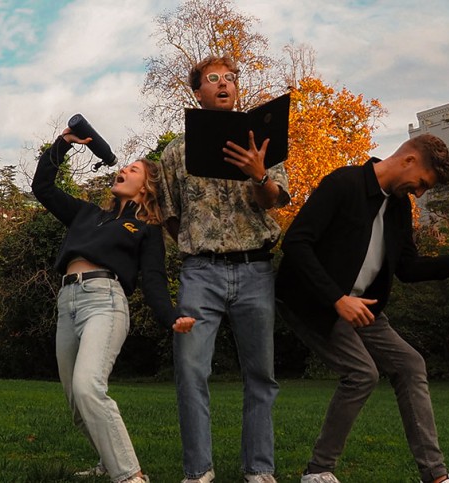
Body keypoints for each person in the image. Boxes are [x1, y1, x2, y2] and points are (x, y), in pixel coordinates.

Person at [275, 134, 449, 483]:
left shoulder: (399, 208)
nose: (419, 193)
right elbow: (296, 243)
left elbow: (406, 267)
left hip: (363, 306)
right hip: (310, 300)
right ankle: (318, 472)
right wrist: (337, 299)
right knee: (362, 373)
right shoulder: (343, 184)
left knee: (410, 364)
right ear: (408, 159)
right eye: (421, 183)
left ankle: (436, 476)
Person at [32, 128, 196, 483]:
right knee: (78, 405)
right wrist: (63, 145)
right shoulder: (86, 214)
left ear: (147, 186)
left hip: (105, 302)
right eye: (124, 167)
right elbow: (42, 188)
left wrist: (170, 316)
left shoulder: (145, 228)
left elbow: (152, 278)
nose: (123, 170)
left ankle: (129, 475)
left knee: (88, 387)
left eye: (134, 170)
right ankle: (108, 461)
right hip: (68, 301)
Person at [158, 55, 291, 483]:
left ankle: (259, 469)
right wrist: (198, 247)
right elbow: (169, 215)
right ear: (198, 91)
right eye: (213, 79)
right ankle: (198, 470)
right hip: (200, 274)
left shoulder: (265, 142)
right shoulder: (175, 153)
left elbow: (274, 201)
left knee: (261, 373)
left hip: (255, 270)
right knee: (191, 371)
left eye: (231, 79)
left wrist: (258, 174)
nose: (224, 84)